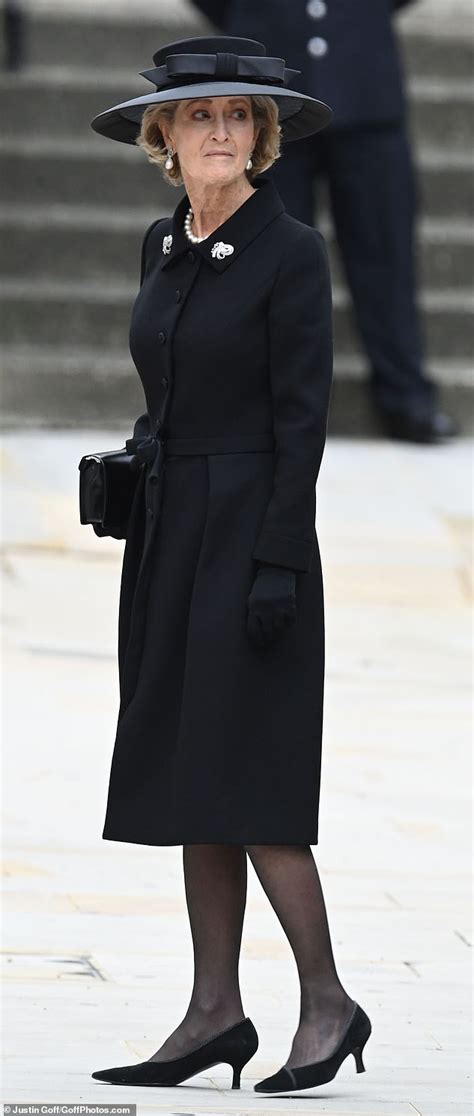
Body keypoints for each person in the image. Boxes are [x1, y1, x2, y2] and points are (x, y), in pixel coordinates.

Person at [88, 34, 372, 1096]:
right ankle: (214, 1011)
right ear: (163, 136)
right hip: (173, 534)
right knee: (191, 778)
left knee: (254, 784)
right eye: (200, 116)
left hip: (255, 534)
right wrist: (135, 462)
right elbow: (169, 386)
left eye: (239, 116)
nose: (220, 131)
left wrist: (277, 566)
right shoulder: (162, 244)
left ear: (264, 137)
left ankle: (330, 1002)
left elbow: (301, 429)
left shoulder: (291, 252)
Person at [191, 0, 459, 445]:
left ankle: (406, 397)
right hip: (270, 79)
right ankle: (267, 401)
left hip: (365, 79)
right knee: (266, 257)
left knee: (386, 252)